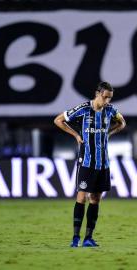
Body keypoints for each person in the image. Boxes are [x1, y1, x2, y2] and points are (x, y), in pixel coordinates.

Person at [54, 81, 126, 247]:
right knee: (82, 196)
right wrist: (75, 135)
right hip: (86, 161)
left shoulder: (111, 110)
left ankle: (88, 238)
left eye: (110, 98)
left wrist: (110, 133)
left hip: (103, 163)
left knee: (95, 199)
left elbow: (122, 123)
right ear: (97, 93)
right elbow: (58, 120)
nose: (107, 101)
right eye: (105, 97)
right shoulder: (83, 109)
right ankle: (75, 238)